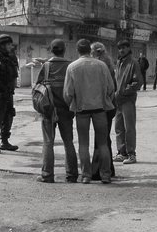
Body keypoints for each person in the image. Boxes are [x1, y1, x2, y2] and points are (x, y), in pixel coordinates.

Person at [64, 39, 116, 184]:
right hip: (100, 109)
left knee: (83, 144)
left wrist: (72, 105)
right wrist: (105, 102)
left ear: (77, 50)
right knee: (103, 144)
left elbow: (68, 93)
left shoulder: (72, 67)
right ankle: (105, 175)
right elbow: (111, 89)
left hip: (81, 110)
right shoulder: (102, 65)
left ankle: (86, 175)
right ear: (90, 50)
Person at [35, 39, 78, 183]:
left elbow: (38, 88)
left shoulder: (46, 66)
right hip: (67, 110)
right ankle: (72, 175)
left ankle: (47, 175)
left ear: (51, 50)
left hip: (48, 110)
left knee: (48, 142)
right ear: (64, 50)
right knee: (68, 142)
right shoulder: (70, 66)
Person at [113, 39, 143, 165]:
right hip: (118, 101)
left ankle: (131, 154)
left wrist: (125, 91)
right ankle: (121, 152)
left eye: (124, 47)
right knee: (119, 128)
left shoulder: (133, 63)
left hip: (128, 100)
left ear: (128, 48)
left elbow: (138, 82)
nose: (122, 50)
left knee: (129, 127)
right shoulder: (119, 62)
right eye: (120, 48)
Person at [90, 42, 117, 180]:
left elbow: (108, 89)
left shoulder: (100, 66)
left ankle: (99, 171)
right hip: (110, 105)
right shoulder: (108, 64)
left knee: (101, 139)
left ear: (95, 52)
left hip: (103, 106)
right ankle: (108, 169)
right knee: (105, 138)